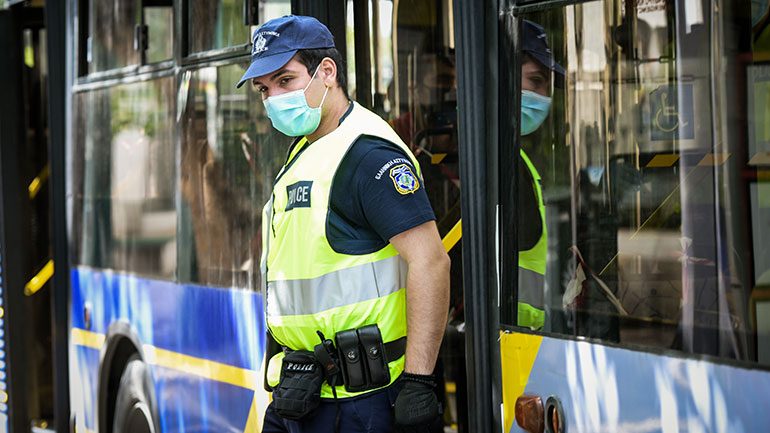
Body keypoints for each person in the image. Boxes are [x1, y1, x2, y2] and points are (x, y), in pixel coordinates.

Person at [235, 15, 450, 433]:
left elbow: (431, 262)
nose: (274, 98)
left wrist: (419, 380)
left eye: (285, 80)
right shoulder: (305, 147)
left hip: (361, 404)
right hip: (300, 393)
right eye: (265, 89)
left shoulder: (367, 154)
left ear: (327, 72)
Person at [516, 20, 565, 329]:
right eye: (535, 81)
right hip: (512, 333)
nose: (544, 95)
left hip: (520, 331)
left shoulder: (515, 155)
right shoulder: (503, 163)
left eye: (547, 85)